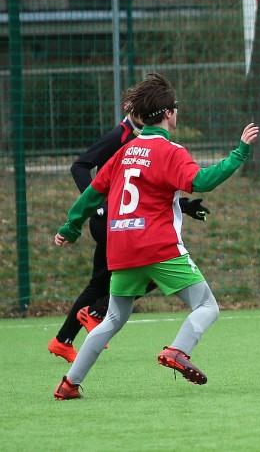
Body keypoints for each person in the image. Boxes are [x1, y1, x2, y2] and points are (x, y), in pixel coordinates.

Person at [52, 73, 259, 400]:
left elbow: (91, 194)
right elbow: (203, 181)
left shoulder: (125, 152)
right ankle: (177, 350)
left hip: (121, 248)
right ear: (167, 113)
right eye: (175, 107)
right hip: (158, 248)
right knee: (207, 306)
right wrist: (240, 153)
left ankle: (69, 384)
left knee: (113, 318)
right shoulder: (170, 151)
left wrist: (70, 227)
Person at [48, 108, 210, 363]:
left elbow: (147, 188)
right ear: (131, 110)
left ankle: (64, 339)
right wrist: (100, 206)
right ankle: (96, 312)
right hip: (116, 221)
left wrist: (186, 206)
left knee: (100, 282)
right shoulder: (119, 137)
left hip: (124, 220)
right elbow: (80, 166)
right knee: (150, 268)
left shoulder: (142, 141)